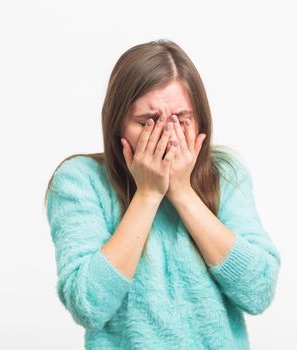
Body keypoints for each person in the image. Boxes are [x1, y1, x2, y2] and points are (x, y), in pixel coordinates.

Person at [44, 39, 281, 349]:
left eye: (181, 120)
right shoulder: (79, 181)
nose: (168, 136)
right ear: (118, 125)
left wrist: (182, 192)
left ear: (200, 122)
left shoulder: (225, 173)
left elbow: (258, 290)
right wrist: (147, 195)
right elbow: (88, 304)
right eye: (148, 122)